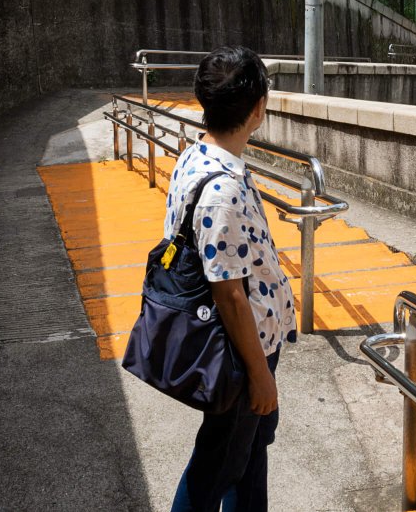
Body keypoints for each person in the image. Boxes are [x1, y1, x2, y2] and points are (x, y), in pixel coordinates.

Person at [167, 46, 297, 512]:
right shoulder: (221, 189)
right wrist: (260, 376)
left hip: (245, 348)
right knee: (214, 469)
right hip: (239, 355)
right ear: (258, 109)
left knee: (246, 460)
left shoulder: (199, 157)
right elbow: (230, 295)